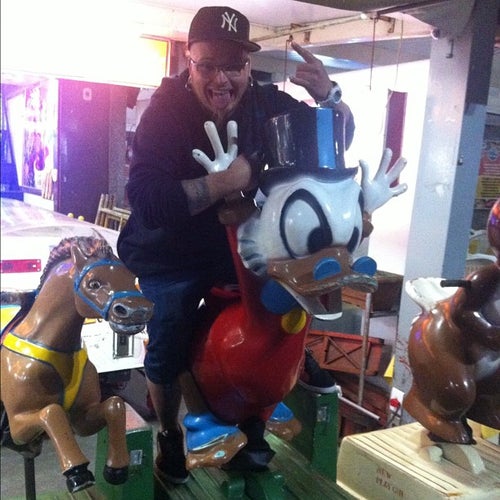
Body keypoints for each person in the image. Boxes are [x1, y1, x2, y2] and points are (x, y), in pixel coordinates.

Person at [117, 5, 355, 485]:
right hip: (168, 252)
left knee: (281, 298)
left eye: (234, 65)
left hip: (235, 243)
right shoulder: (164, 113)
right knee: (170, 334)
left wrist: (329, 96)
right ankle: (170, 434)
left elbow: (333, 137)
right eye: (208, 65)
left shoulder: (265, 103)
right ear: (189, 61)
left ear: (248, 66)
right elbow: (147, 200)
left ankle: (260, 410)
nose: (221, 79)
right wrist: (228, 180)